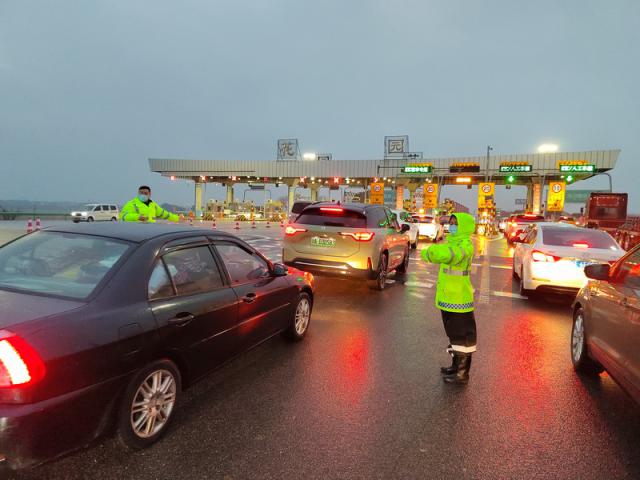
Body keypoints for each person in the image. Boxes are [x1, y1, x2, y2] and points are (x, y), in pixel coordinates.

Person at [421, 212, 477, 385]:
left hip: (459, 298)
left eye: (455, 223)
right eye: (450, 223)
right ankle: (455, 366)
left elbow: (448, 255)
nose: (451, 226)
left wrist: (430, 251)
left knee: (462, 337)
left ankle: (462, 374)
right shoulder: (451, 241)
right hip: (449, 297)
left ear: (464, 227)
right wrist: (433, 251)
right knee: (454, 334)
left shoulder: (465, 245)